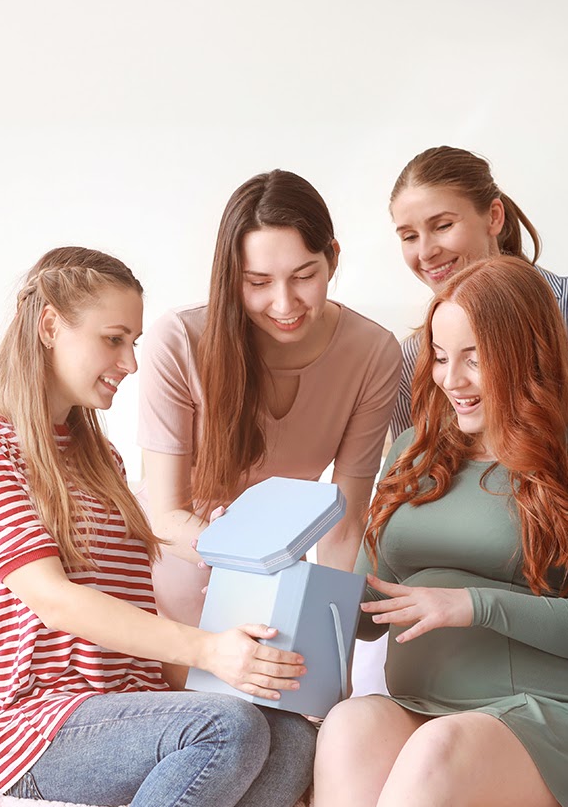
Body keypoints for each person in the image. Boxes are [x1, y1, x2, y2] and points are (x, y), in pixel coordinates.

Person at [0, 247, 316, 807]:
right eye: (113, 339)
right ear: (49, 326)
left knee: (289, 738)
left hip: (122, 706)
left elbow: (134, 607)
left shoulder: (94, 453)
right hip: (31, 725)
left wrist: (222, 675)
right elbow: (56, 600)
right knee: (225, 728)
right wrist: (209, 654)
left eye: (132, 342)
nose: (130, 362)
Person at [313, 256, 568, 807]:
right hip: (426, 705)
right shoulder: (410, 451)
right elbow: (370, 613)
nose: (452, 380)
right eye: (440, 357)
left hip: (562, 714)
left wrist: (470, 603)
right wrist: (298, 595)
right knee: (350, 726)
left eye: (473, 357)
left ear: (525, 353)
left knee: (438, 752)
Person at [138, 170, 400, 639]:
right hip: (173, 571)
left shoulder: (372, 352)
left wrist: (333, 634)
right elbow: (165, 515)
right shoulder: (179, 341)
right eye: (257, 282)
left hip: (276, 577)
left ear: (333, 259)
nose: (284, 303)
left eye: (304, 276)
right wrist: (240, 555)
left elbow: (343, 523)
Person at [387, 145, 568, 441]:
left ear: (493, 216)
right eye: (410, 236)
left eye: (443, 226)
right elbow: (413, 474)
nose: (426, 252)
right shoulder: (410, 360)